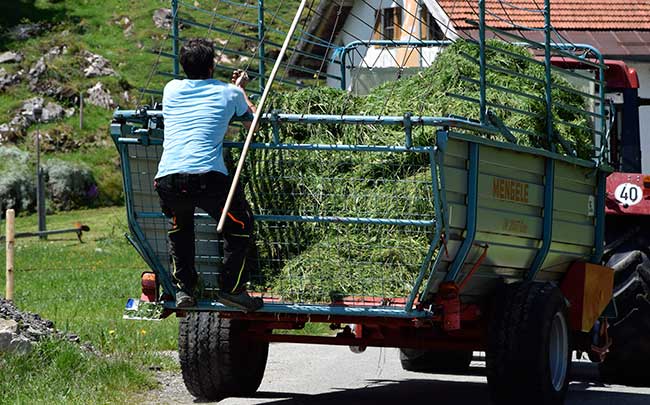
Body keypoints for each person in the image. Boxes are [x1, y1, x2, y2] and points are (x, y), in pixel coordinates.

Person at [154, 38, 262, 311]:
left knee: (180, 228)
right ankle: (232, 288)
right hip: (207, 176)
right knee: (239, 225)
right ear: (213, 65)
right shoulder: (230, 93)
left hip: (169, 177)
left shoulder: (171, 89)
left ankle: (184, 290)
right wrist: (242, 91)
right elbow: (253, 123)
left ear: (183, 65)